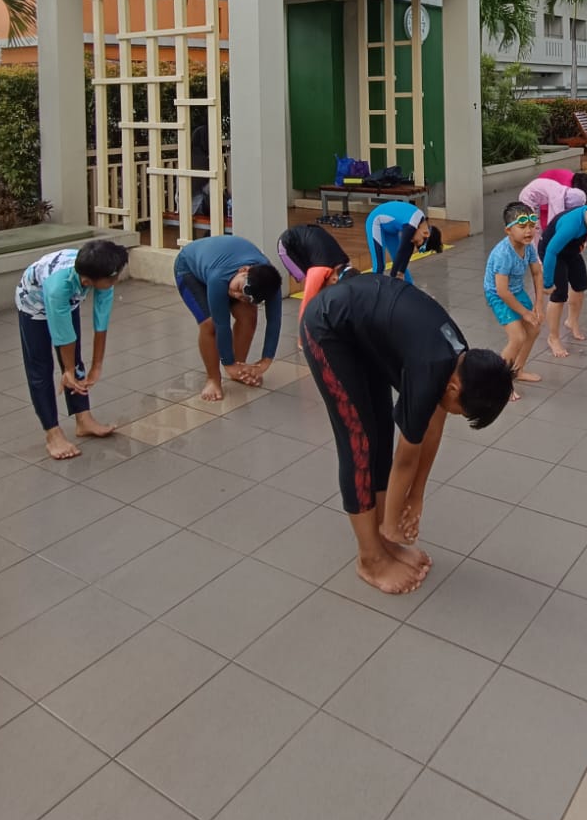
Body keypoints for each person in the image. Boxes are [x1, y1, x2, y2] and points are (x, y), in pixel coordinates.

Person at [300, 272, 514, 593]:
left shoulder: (460, 361)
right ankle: (370, 557)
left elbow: (433, 427)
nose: (455, 414)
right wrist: (392, 524)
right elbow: (406, 458)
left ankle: (381, 543)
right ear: (455, 387)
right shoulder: (431, 371)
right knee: (359, 442)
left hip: (363, 331)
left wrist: (416, 497)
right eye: (462, 411)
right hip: (328, 328)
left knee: (382, 431)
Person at [16, 239, 130, 461]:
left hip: (68, 298)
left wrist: (96, 366)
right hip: (34, 302)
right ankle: (53, 434)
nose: (116, 280)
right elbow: (63, 336)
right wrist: (67, 371)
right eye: (113, 278)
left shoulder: (102, 270)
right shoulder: (59, 287)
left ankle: (83, 420)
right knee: (40, 368)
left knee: (74, 361)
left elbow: (101, 322)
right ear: (89, 280)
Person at [173, 234, 283, 401]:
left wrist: (265, 361)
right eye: (238, 288)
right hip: (189, 268)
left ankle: (239, 369)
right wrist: (227, 362)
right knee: (210, 324)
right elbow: (221, 324)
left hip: (222, 266)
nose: (236, 295)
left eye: (243, 297)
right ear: (244, 270)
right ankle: (213, 378)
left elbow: (274, 322)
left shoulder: (270, 284)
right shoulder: (219, 279)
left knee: (249, 316)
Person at [538, 203, 587, 357]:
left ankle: (571, 321)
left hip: (570, 248)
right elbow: (551, 252)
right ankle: (553, 337)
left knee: (580, 285)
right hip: (552, 252)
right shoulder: (571, 226)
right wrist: (547, 282)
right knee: (559, 294)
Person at [484, 202, 545, 391]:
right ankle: (499, 383)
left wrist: (538, 305)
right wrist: (525, 313)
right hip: (498, 294)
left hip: (516, 290)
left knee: (533, 330)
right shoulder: (503, 254)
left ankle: (517, 370)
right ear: (508, 231)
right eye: (522, 227)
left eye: (531, 227)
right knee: (518, 337)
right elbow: (502, 291)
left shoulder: (528, 247)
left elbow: (536, 273)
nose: (528, 232)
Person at [365, 201, 442, 283]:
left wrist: (401, 272)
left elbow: (407, 253)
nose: (413, 241)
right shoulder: (410, 227)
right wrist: (393, 277)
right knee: (379, 266)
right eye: (417, 242)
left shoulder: (420, 225)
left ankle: (410, 291)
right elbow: (401, 251)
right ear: (425, 234)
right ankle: (372, 292)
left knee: (401, 268)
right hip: (376, 222)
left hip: (391, 229)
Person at [518, 171, 587, 231]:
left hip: (540, 194)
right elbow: (556, 219)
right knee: (533, 227)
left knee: (537, 227)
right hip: (533, 197)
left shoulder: (570, 191)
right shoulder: (562, 193)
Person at [277, 220, 350, 285]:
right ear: (334, 279)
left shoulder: (345, 260)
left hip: (312, 236)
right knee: (304, 278)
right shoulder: (321, 268)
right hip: (287, 244)